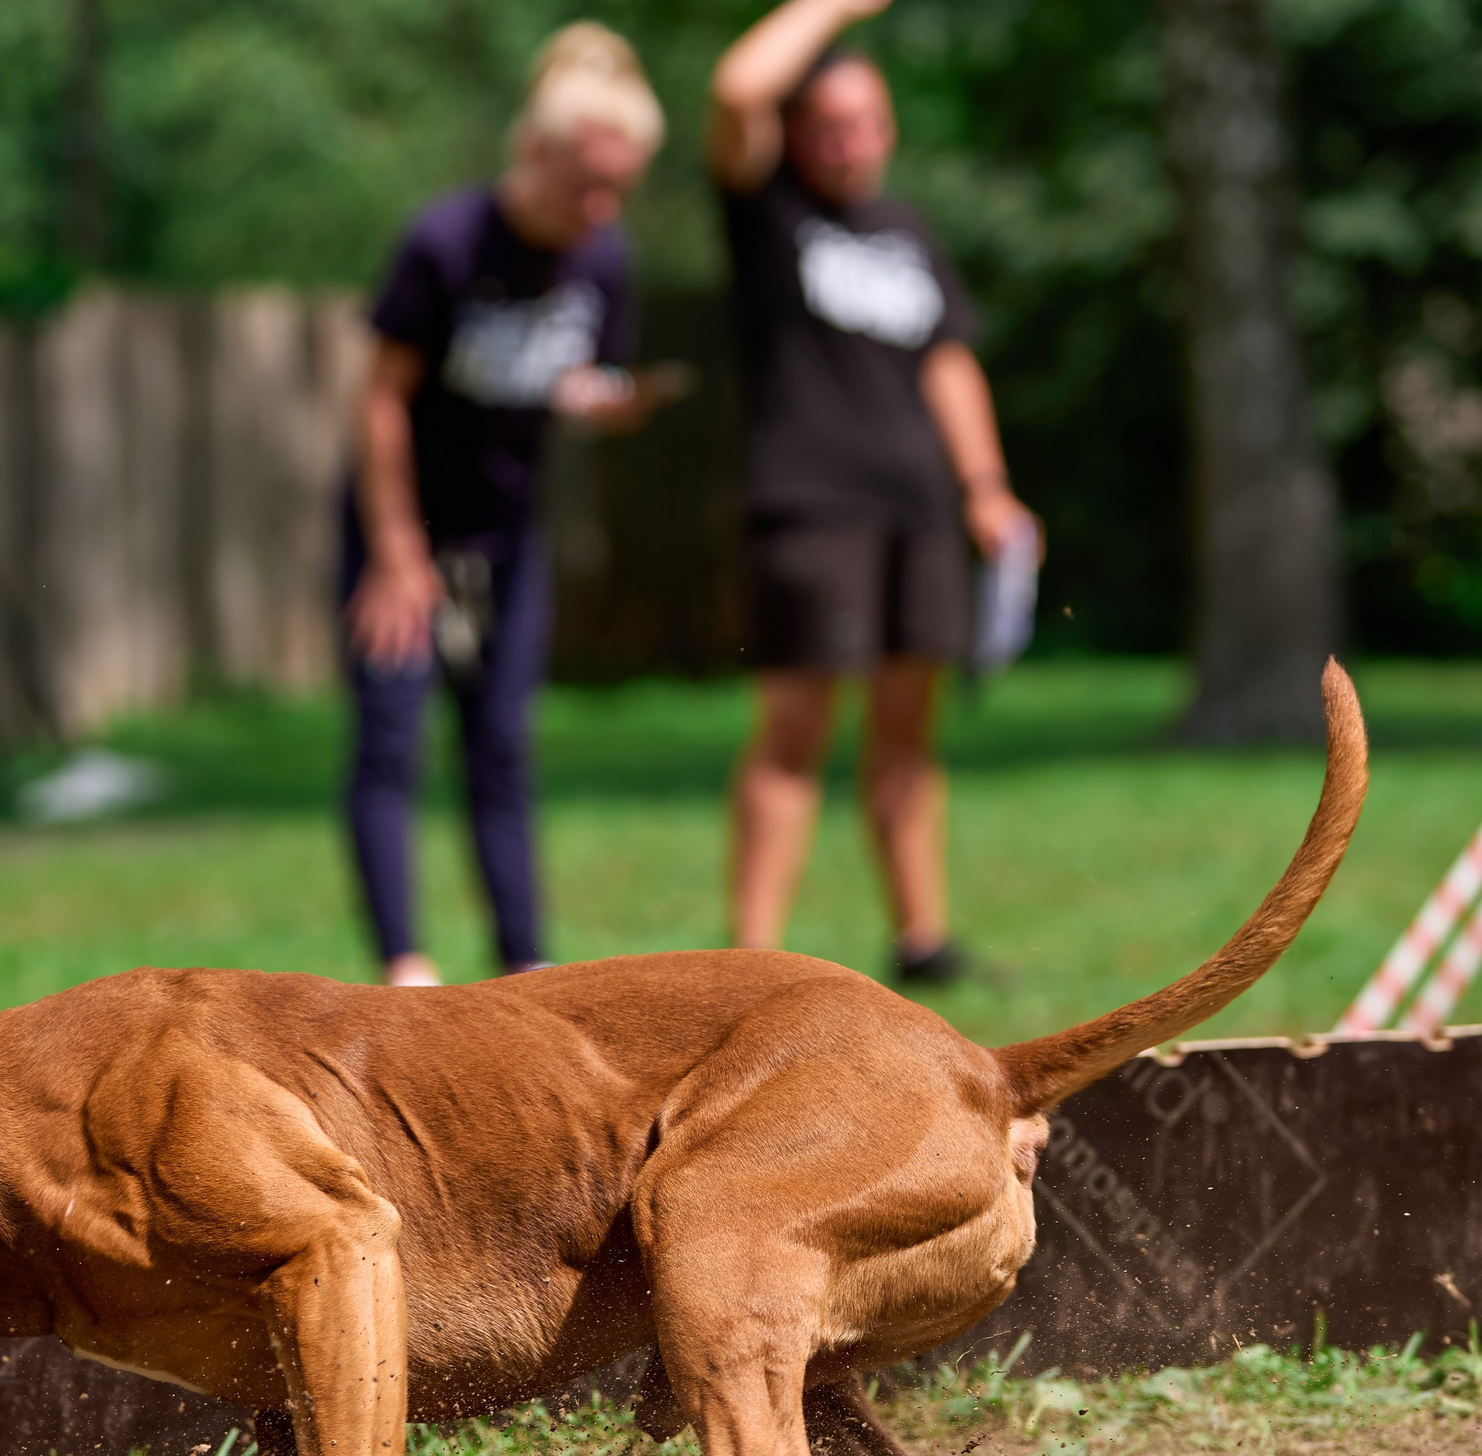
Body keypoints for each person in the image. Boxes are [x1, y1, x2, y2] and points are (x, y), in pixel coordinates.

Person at [709, 0, 1041, 986]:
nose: (850, 144)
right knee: (795, 730)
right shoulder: (768, 213)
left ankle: (921, 940)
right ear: (795, 132)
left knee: (906, 729)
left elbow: (947, 360)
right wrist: (838, 7)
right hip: (811, 504)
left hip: (919, 509)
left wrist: (986, 488)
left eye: (866, 124)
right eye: (828, 126)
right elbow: (736, 87)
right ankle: (749, 966)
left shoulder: (907, 231)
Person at [343, 25, 671, 987]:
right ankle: (405, 969)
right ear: (534, 153)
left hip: (508, 533)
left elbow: (586, 373)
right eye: (587, 186)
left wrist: (605, 402)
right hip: (403, 525)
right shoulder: (446, 243)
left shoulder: (604, 259)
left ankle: (526, 968)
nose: (601, 209)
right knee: (392, 742)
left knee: (501, 745)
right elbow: (380, 399)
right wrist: (396, 551)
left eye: (619, 190)